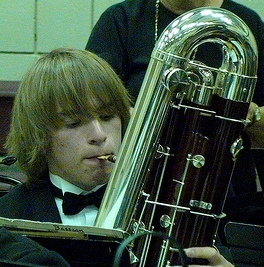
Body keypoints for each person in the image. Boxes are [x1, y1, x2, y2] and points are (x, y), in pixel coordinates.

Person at [0, 48, 234, 267]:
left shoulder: (173, 206)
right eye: (74, 122)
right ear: (38, 136)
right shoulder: (8, 215)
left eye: (107, 116)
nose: (99, 135)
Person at [86, 0, 264, 226]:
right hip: (143, 182)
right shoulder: (121, 19)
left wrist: (251, 114)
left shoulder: (247, 24)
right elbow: (94, 102)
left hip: (223, 188)